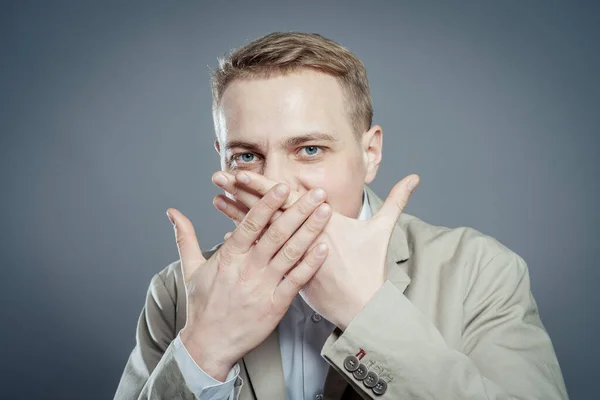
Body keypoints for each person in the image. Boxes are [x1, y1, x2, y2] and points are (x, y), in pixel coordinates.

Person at [114, 32, 569, 400]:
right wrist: (203, 351)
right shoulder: (178, 292)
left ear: (370, 153)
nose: (277, 184)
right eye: (247, 156)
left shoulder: (479, 272)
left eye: (309, 150)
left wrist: (367, 314)